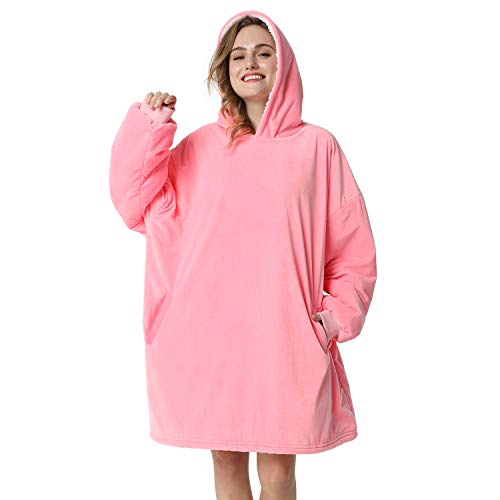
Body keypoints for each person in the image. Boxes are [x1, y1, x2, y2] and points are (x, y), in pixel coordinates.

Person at [109, 10, 377, 499]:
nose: (250, 63)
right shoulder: (199, 148)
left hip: (282, 337)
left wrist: (333, 319)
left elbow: (352, 248)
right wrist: (149, 127)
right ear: (225, 69)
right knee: (226, 462)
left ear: (283, 64)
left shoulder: (317, 148)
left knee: (278, 471)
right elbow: (135, 204)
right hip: (212, 336)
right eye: (237, 55)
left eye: (263, 52)